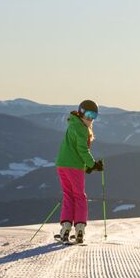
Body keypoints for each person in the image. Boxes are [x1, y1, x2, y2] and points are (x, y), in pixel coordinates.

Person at [55, 99, 103, 243]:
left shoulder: (73, 124)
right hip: (74, 166)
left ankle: (66, 228)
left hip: (62, 164)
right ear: (81, 112)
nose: (90, 118)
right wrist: (92, 164)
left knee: (68, 195)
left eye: (94, 116)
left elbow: (74, 148)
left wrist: (87, 166)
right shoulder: (82, 129)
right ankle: (80, 229)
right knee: (79, 196)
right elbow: (82, 149)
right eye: (88, 114)